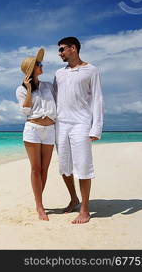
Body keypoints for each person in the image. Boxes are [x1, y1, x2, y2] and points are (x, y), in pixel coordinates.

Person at [53, 37, 104, 224]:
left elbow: (98, 99)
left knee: (83, 167)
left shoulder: (91, 70)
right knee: (64, 166)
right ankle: (73, 198)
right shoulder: (59, 73)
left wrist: (95, 128)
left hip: (82, 124)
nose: (59, 53)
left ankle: (85, 209)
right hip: (61, 125)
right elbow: (54, 98)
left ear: (73, 48)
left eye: (62, 50)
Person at [16, 48, 57, 221]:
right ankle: (39, 206)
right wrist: (28, 87)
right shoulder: (21, 89)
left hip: (50, 130)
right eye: (38, 64)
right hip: (32, 129)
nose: (42, 65)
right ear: (31, 69)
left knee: (44, 169)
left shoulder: (48, 86)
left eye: (40, 63)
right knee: (35, 169)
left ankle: (39, 201)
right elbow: (25, 111)